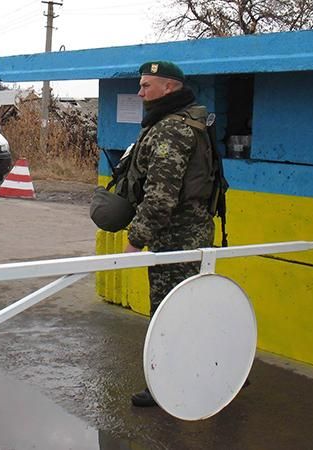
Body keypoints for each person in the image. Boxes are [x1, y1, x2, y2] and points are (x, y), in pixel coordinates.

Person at [122, 61, 215, 407]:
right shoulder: (187, 121)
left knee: (168, 317)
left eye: (147, 86)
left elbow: (161, 195)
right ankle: (214, 373)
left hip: (176, 239)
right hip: (192, 234)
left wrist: (135, 238)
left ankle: (165, 389)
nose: (140, 92)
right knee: (191, 311)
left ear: (170, 87)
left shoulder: (171, 130)